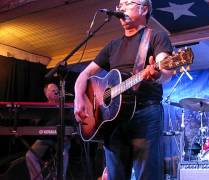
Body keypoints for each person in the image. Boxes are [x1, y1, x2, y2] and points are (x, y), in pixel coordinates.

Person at [74, 0, 174, 180]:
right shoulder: (112, 45)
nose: (121, 8)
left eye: (128, 3)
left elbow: (166, 70)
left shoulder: (156, 36)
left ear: (144, 9)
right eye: (120, 5)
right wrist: (79, 98)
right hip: (112, 120)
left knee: (147, 175)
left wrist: (157, 74)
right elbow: (85, 75)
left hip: (145, 113)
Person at [25, 83, 71, 180]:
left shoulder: (65, 107)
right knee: (30, 155)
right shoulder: (42, 107)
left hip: (61, 139)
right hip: (45, 139)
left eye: (57, 89)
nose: (56, 91)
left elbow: (71, 124)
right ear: (46, 94)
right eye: (52, 90)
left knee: (64, 153)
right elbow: (33, 122)